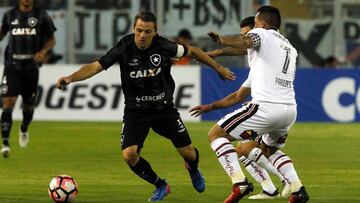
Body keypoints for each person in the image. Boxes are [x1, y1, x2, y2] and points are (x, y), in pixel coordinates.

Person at [56, 11, 235, 202]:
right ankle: (161, 185)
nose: (142, 35)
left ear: (155, 32)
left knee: (189, 153)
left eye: (147, 31)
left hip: (163, 109)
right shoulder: (124, 47)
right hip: (136, 111)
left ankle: (193, 168)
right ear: (134, 29)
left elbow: (193, 51)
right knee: (129, 154)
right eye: (139, 30)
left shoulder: (164, 46)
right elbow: (96, 66)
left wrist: (218, 68)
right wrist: (71, 78)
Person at [190, 6, 309, 203]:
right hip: (288, 110)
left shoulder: (261, 33)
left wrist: (222, 40)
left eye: (254, 23)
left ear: (261, 22)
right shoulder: (288, 48)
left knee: (215, 135)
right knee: (266, 150)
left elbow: (246, 41)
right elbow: (237, 95)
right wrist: (209, 107)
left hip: (265, 107)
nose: (253, 27)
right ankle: (297, 190)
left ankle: (240, 183)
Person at [207, 15, 283, 200]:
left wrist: (221, 44)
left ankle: (285, 180)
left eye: (246, 35)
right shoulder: (259, 61)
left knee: (246, 147)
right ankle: (270, 189)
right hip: (276, 108)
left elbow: (243, 46)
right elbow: (238, 95)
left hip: (268, 108)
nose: (243, 39)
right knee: (243, 150)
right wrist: (218, 53)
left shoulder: (263, 46)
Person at [0, 0, 56, 158]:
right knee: (8, 103)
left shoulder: (41, 15)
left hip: (31, 69)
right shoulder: (9, 15)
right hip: (12, 66)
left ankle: (24, 128)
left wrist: (43, 52)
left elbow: (52, 39)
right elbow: (2, 34)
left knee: (28, 106)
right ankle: (5, 142)